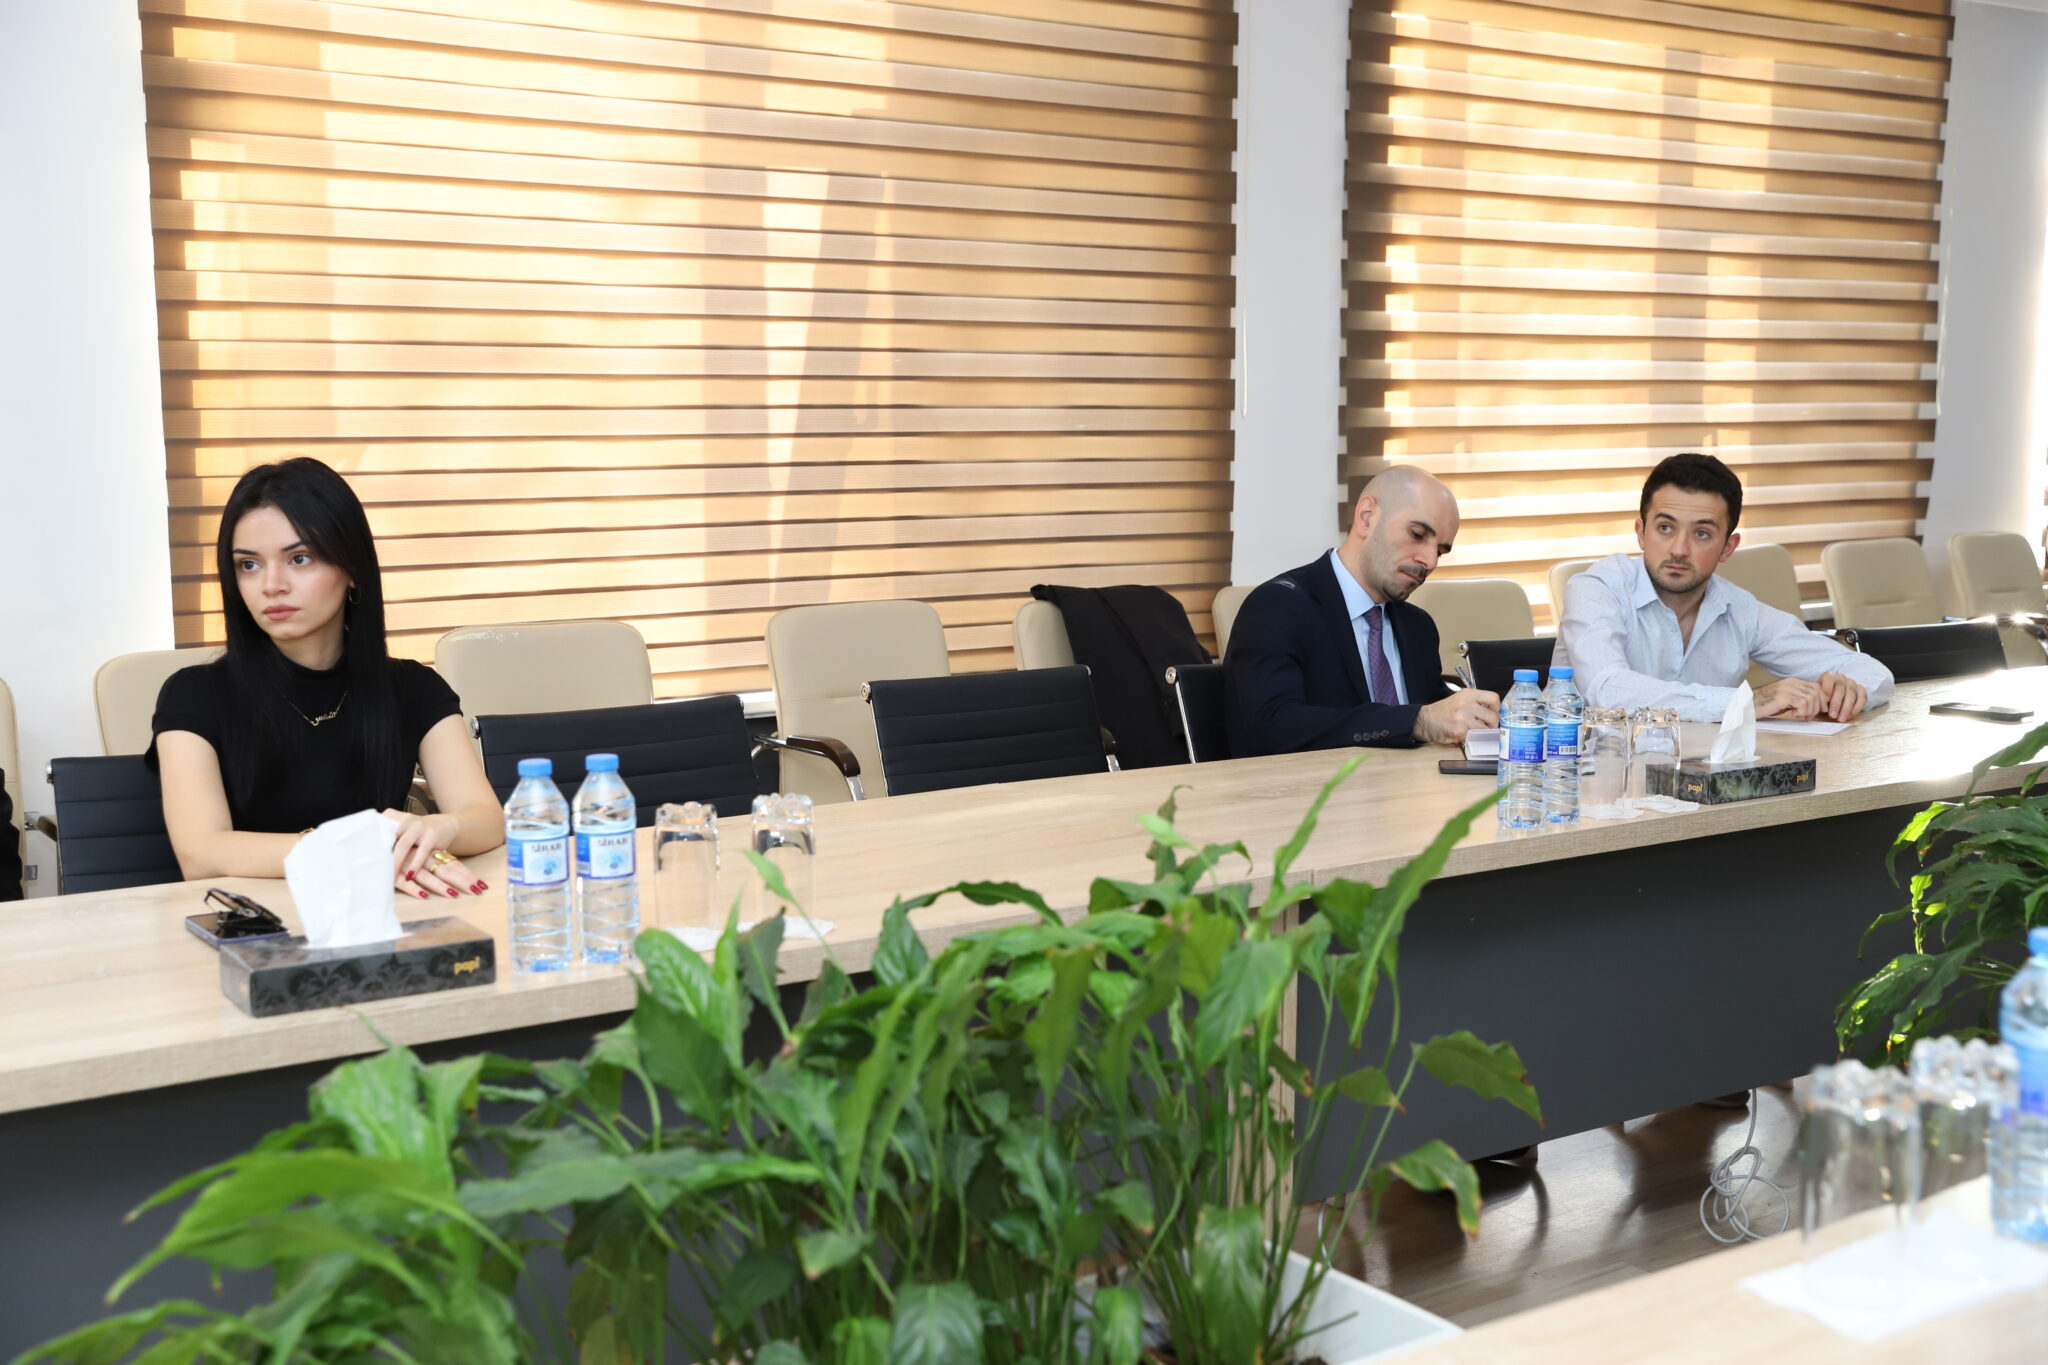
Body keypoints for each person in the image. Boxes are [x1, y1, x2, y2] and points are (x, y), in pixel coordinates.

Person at [150, 458, 504, 900]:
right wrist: (356, 851)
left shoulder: (412, 687)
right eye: (249, 565)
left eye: (299, 559)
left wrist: (441, 828)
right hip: (252, 922)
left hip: (381, 914)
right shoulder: (193, 694)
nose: (271, 585)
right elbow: (201, 853)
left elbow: (486, 819)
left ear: (352, 568)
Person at [1555, 452, 1893, 722]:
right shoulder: (1596, 589)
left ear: (1728, 547)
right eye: (1665, 528)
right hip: (1586, 776)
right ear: (1641, 533)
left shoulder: (1739, 610)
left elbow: (1872, 672)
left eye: (1701, 533)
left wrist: (1848, 691)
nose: (1679, 549)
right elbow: (1607, 689)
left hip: (1702, 777)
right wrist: (1749, 701)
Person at [1226, 465, 1501, 755]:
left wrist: (1476, 714)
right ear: (1367, 517)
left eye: (1441, 551)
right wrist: (1416, 722)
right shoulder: (1277, 607)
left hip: (1412, 782)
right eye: (1417, 534)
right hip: (1317, 783)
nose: (1430, 561)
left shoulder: (1418, 626)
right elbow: (1272, 727)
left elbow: (1434, 711)